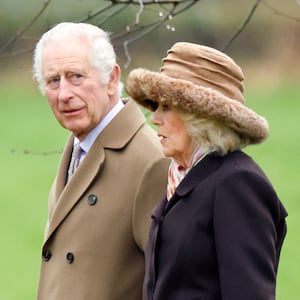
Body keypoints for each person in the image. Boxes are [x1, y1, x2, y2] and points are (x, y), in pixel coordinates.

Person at [126, 42, 288, 300]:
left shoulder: (237, 183)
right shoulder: (182, 177)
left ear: (200, 116)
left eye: (166, 107)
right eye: (155, 106)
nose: (154, 118)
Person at [32, 22, 169, 300]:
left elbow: (167, 282)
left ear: (111, 78)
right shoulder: (79, 144)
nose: (64, 94)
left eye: (76, 76)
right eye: (53, 81)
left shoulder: (150, 161)